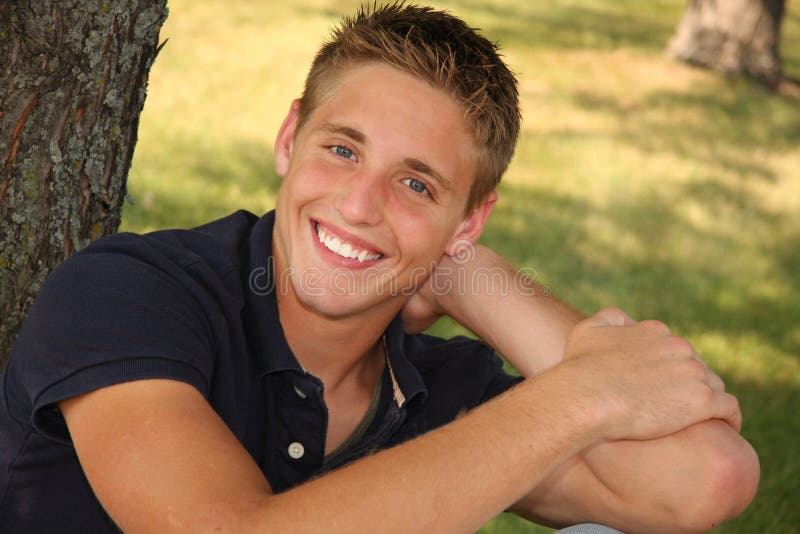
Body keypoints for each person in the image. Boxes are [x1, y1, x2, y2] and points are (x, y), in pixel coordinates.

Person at [0, 3, 759, 532]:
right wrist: (584, 396)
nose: (361, 205)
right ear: (289, 137)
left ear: (470, 219)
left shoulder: (430, 385)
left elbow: (707, 479)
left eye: (417, 183)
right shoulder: (129, 292)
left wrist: (464, 274)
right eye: (342, 149)